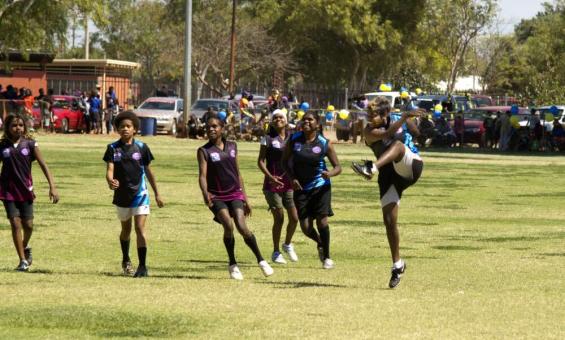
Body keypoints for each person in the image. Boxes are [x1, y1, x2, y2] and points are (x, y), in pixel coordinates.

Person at [352, 98, 423, 288]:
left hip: (411, 165)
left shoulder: (399, 117)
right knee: (390, 222)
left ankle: (371, 168)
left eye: (373, 115)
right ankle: (397, 265)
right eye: (368, 115)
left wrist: (411, 121)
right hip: (388, 175)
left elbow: (417, 134)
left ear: (385, 114)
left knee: (399, 147)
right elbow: (387, 133)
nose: (369, 118)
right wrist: (404, 118)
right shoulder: (368, 131)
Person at [197, 116, 274, 280]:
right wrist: (205, 194)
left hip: (235, 193)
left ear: (222, 128)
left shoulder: (232, 146)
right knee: (228, 225)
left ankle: (261, 260)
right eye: (208, 127)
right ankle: (233, 265)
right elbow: (202, 176)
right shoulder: (204, 151)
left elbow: (238, 173)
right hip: (216, 195)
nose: (211, 129)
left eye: (215, 126)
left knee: (241, 226)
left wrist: (245, 198)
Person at [103, 111, 164, 277]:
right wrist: (110, 181)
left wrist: (157, 193)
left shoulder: (142, 148)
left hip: (140, 194)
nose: (125, 129)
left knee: (140, 229)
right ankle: (126, 259)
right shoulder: (112, 148)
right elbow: (109, 170)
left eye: (128, 126)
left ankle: (143, 266)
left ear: (135, 129)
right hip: (122, 196)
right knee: (125, 231)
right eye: (122, 126)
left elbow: (149, 172)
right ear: (117, 129)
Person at [282, 111, 342, 269]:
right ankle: (321, 242)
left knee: (322, 222)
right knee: (306, 227)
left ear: (318, 124)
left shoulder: (324, 143)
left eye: (310, 120)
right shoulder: (293, 140)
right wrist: (292, 178)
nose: (306, 122)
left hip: (321, 186)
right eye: (304, 120)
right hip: (301, 188)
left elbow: (338, 167)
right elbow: (284, 162)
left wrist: (329, 174)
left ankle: (327, 257)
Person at [0, 113, 59, 271]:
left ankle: (24, 247)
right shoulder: (2, 145)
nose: (17, 128)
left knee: (29, 225)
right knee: (15, 223)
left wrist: (52, 186)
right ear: (7, 127)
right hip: (7, 191)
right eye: (13, 125)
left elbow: (43, 165)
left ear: (24, 127)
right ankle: (23, 261)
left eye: (20, 125)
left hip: (25, 190)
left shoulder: (30, 144)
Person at [257, 109, 299, 264]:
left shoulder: (293, 138)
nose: (278, 119)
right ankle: (276, 252)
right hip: (271, 185)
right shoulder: (267, 139)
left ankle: (287, 244)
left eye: (281, 117)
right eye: (275, 118)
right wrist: (270, 177)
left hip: (289, 183)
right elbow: (260, 161)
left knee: (294, 218)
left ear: (286, 120)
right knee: (279, 218)